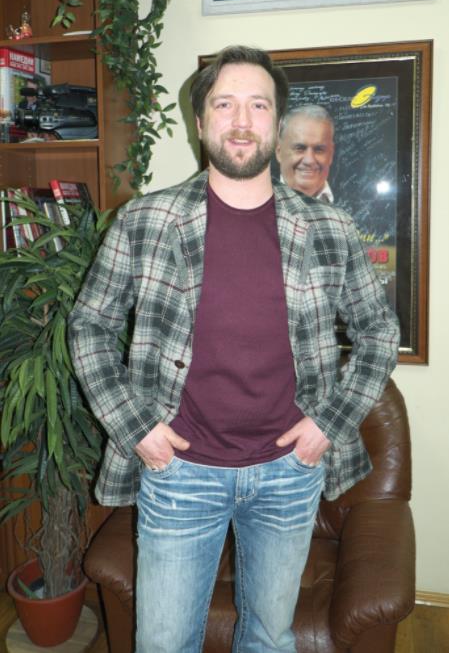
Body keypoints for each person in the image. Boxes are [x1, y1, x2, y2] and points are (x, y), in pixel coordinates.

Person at [68, 45, 400, 653]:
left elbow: (379, 333)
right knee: (163, 644)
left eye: (258, 105)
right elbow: (88, 327)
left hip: (289, 474)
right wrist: (137, 427)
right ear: (200, 122)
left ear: (276, 122)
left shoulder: (330, 229)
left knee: (269, 640)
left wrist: (327, 424)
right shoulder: (145, 221)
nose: (242, 121)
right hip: (179, 472)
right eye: (225, 104)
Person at [276, 104, 335, 203]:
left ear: (331, 154)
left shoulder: (357, 204)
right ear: (279, 152)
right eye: (299, 148)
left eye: (319, 150)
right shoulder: (256, 202)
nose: (309, 160)